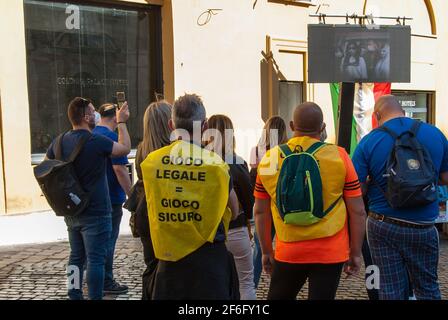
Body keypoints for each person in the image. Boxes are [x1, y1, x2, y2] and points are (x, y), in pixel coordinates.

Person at [254, 102, 366, 300]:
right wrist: (355, 252)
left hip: (289, 249)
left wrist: (265, 251)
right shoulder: (339, 156)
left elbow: (260, 211)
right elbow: (357, 211)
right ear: (322, 128)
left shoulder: (270, 158)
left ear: (291, 125)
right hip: (331, 250)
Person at [140, 93, 240, 300]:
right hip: (209, 262)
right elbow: (235, 209)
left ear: (171, 124)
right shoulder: (216, 165)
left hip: (169, 262)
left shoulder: (152, 162)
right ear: (204, 126)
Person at [352, 95, 448, 300]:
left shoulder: (368, 142)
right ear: (403, 112)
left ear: (377, 115)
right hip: (424, 225)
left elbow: (356, 190)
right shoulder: (435, 134)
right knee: (428, 287)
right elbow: (445, 177)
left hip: (383, 224)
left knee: (389, 288)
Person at [46, 97, 131, 300]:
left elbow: (47, 166)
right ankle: (94, 297)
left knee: (76, 257)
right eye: (94, 112)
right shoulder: (96, 141)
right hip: (96, 211)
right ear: (86, 117)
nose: (97, 115)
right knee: (96, 260)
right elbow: (125, 148)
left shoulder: (59, 141)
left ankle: (74, 294)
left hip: (72, 210)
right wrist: (122, 122)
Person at [204, 114, 256, 300]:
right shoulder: (236, 162)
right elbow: (249, 199)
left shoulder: (201, 162)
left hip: (208, 232)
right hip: (236, 228)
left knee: (215, 286)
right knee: (246, 283)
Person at [134, 100, 173, 300]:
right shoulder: (173, 151)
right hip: (167, 210)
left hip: (146, 212)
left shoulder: (142, 150)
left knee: (151, 264)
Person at [92, 103, 132, 295]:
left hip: (92, 199)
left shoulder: (90, 135)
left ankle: (85, 283)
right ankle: (106, 280)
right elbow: (120, 169)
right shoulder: (112, 138)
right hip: (112, 198)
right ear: (116, 118)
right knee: (108, 242)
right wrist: (132, 195)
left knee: (88, 246)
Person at [249, 116, 287, 289]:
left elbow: (252, 177)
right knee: (284, 247)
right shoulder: (286, 151)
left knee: (259, 249)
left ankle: (252, 285)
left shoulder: (256, 150)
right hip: (282, 206)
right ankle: (282, 286)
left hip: (262, 203)